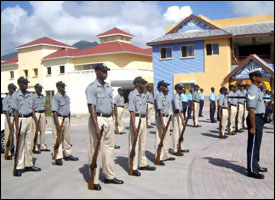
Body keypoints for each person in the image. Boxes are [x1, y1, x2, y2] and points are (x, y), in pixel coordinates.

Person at [85, 63, 123, 190]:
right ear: (96, 72)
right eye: (103, 71)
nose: (105, 73)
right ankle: (94, 179)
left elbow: (111, 105)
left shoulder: (108, 87)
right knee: (96, 149)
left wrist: (112, 119)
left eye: (106, 71)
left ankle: (109, 176)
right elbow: (92, 108)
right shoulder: (92, 87)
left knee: (109, 149)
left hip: (108, 118)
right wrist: (96, 126)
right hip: (98, 119)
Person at [11, 77, 41, 177]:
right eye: (24, 83)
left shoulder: (29, 95)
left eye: (27, 83)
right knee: (20, 144)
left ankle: (28, 164)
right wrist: (16, 126)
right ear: (19, 84)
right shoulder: (16, 95)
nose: (26, 85)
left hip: (29, 119)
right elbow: (15, 112)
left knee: (29, 143)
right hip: (21, 119)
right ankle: (19, 166)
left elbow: (32, 108)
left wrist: (35, 120)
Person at [128, 76, 156, 177]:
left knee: (143, 142)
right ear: (137, 84)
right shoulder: (132, 94)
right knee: (134, 143)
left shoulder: (144, 95)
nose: (144, 85)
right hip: (136, 118)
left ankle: (142, 163)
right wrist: (134, 126)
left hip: (143, 118)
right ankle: (133, 166)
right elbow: (131, 111)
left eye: (145, 83)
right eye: (142, 83)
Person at [246, 68, 267, 179]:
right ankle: (251, 170)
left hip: (259, 119)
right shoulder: (252, 90)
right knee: (253, 145)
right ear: (253, 77)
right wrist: (253, 126)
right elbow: (251, 110)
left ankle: (256, 165)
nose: (261, 77)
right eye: (259, 75)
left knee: (257, 144)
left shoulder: (257, 89)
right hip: (254, 119)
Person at [51, 81, 79, 166]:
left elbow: (68, 110)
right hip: (59, 118)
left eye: (64, 86)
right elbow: (54, 112)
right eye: (62, 86)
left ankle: (67, 154)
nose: (64, 88)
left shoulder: (67, 97)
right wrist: (58, 125)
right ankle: (58, 156)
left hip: (66, 118)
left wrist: (69, 120)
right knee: (57, 138)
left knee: (67, 138)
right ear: (58, 87)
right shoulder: (56, 98)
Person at [155, 81, 174, 165]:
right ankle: (159, 157)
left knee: (166, 137)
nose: (167, 88)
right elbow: (160, 110)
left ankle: (166, 155)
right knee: (160, 137)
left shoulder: (166, 96)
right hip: (161, 118)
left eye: (167, 86)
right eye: (165, 86)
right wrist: (162, 123)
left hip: (167, 117)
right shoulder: (159, 96)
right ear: (161, 87)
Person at [32, 84, 50, 153]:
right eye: (39, 89)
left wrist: (45, 117)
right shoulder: (33, 97)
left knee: (43, 130)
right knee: (35, 131)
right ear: (36, 89)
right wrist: (35, 118)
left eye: (41, 89)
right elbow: (32, 109)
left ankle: (42, 145)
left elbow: (45, 106)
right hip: (36, 113)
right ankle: (35, 146)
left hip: (42, 113)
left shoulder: (43, 97)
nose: (40, 90)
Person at [3, 83, 17, 160]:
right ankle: (7, 152)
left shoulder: (16, 98)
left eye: (15, 89)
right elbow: (7, 112)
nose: (14, 90)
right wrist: (9, 124)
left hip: (15, 118)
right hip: (9, 118)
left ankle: (15, 152)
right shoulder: (6, 99)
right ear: (9, 89)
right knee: (8, 136)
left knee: (16, 136)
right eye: (13, 89)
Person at [172, 84, 185, 156]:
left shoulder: (179, 96)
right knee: (176, 132)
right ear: (177, 89)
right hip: (177, 115)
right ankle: (175, 149)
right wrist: (182, 119)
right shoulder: (176, 97)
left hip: (180, 114)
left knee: (181, 131)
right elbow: (178, 108)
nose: (182, 90)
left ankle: (180, 147)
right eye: (180, 89)